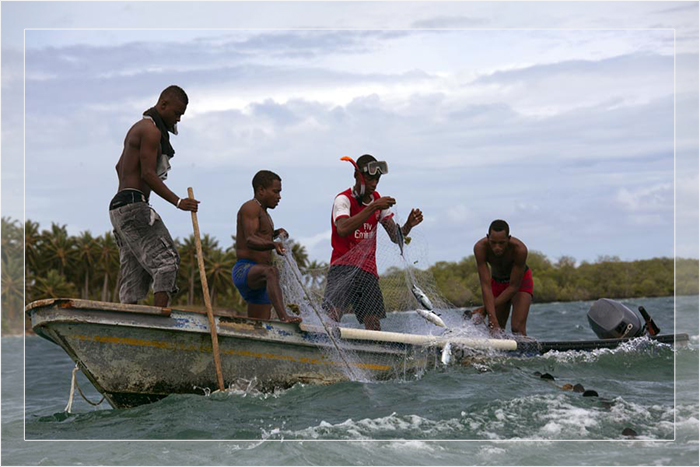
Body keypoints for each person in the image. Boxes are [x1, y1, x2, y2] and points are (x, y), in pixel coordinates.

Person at [109, 85, 199, 308]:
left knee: (134, 272)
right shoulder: (151, 131)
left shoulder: (138, 128)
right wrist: (178, 202)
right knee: (166, 261)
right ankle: (160, 319)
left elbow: (119, 166)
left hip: (119, 208)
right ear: (163, 105)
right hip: (132, 205)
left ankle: (128, 322)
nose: (178, 120)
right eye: (176, 113)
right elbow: (148, 174)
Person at [323, 154, 423, 330]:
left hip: (367, 270)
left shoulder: (376, 200)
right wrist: (373, 207)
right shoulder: (344, 199)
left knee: (373, 324)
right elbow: (343, 228)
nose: (374, 184)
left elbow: (395, 236)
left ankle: (373, 355)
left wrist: (408, 225)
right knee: (332, 317)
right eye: (370, 179)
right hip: (343, 267)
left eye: (377, 179)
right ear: (357, 176)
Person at [233, 170, 302, 324]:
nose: (279, 197)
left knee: (258, 327)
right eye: (276, 192)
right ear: (261, 190)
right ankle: (284, 317)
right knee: (272, 271)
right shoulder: (250, 207)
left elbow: (260, 236)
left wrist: (276, 233)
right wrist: (273, 244)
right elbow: (250, 239)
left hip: (261, 279)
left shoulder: (264, 213)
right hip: (245, 270)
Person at [470, 220, 533, 337]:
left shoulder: (520, 250)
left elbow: (513, 287)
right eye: (493, 243)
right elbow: (485, 285)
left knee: (517, 329)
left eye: (502, 243)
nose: (497, 247)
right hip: (497, 282)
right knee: (494, 329)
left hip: (520, 282)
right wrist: (492, 317)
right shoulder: (480, 248)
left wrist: (486, 309)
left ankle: (525, 353)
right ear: (487, 237)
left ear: (509, 239)